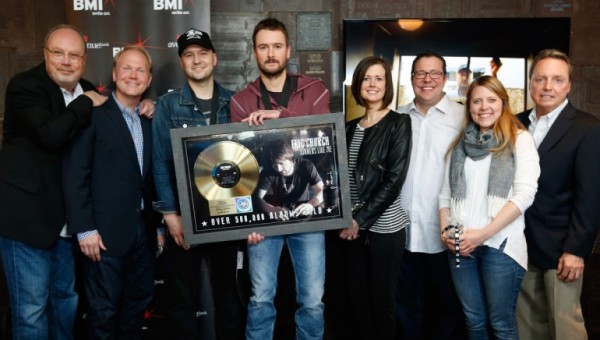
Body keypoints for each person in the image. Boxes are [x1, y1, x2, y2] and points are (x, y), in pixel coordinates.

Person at [0, 24, 108, 339]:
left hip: (66, 224)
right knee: (31, 311)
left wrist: (145, 106)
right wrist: (86, 101)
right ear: (45, 55)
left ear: (84, 60)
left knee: (66, 303)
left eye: (74, 55)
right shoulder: (25, 87)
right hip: (27, 221)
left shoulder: (87, 89)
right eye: (58, 53)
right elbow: (50, 135)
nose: (66, 61)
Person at [230, 17, 330, 340]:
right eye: (263, 47)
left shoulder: (315, 91)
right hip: (263, 217)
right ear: (254, 53)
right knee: (260, 298)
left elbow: (321, 138)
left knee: (312, 300)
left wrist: (280, 117)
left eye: (276, 46)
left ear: (288, 51)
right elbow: (239, 167)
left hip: (308, 218)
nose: (270, 53)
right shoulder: (239, 101)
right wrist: (248, 220)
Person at [152, 28, 246, 339]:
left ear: (214, 58)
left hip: (227, 214)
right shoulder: (167, 106)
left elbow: (249, 159)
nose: (197, 60)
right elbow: (161, 163)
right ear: (181, 62)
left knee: (229, 297)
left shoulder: (235, 102)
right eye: (189, 55)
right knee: (181, 300)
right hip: (184, 216)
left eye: (203, 53)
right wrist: (169, 215)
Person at [63, 46, 161, 339]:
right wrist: (84, 229)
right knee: (103, 313)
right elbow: (75, 173)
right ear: (115, 74)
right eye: (127, 68)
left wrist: (156, 226)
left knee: (136, 309)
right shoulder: (93, 115)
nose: (133, 75)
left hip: (143, 235)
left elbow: (150, 178)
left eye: (140, 69)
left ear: (149, 78)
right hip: (103, 237)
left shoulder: (150, 118)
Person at [438, 75, 540, 339]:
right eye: (477, 101)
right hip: (461, 246)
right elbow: (445, 196)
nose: (484, 107)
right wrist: (446, 232)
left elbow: (525, 194)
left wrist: (481, 235)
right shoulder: (460, 144)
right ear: (469, 106)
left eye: (491, 100)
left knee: (501, 324)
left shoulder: (520, 139)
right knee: (473, 322)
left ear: (503, 103)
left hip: (501, 247)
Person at [516, 49, 600, 340]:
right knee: (527, 326)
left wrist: (576, 250)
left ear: (568, 85)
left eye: (557, 79)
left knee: (565, 327)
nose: (548, 86)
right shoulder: (514, 123)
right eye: (541, 79)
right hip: (518, 245)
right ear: (531, 84)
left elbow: (590, 198)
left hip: (561, 248)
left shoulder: (587, 128)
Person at [339, 56, 411, 340]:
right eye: (366, 78)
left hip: (383, 230)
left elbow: (394, 180)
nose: (372, 84)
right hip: (351, 229)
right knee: (357, 300)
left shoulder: (398, 123)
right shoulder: (348, 127)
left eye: (379, 78)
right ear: (358, 84)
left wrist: (360, 219)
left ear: (387, 85)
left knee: (382, 302)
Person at [395, 50, 466, 340]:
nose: (427, 79)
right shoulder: (397, 117)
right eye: (420, 74)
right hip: (402, 229)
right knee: (405, 305)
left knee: (446, 307)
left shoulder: (463, 116)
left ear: (445, 78)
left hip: (446, 231)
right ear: (411, 79)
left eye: (434, 73)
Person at [256, 139, 324, 222]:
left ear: (292, 160)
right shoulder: (269, 171)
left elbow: (321, 190)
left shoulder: (306, 166)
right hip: (279, 219)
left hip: (303, 218)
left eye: (281, 163)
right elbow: (256, 198)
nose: (278, 169)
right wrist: (271, 209)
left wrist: (310, 205)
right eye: (275, 165)